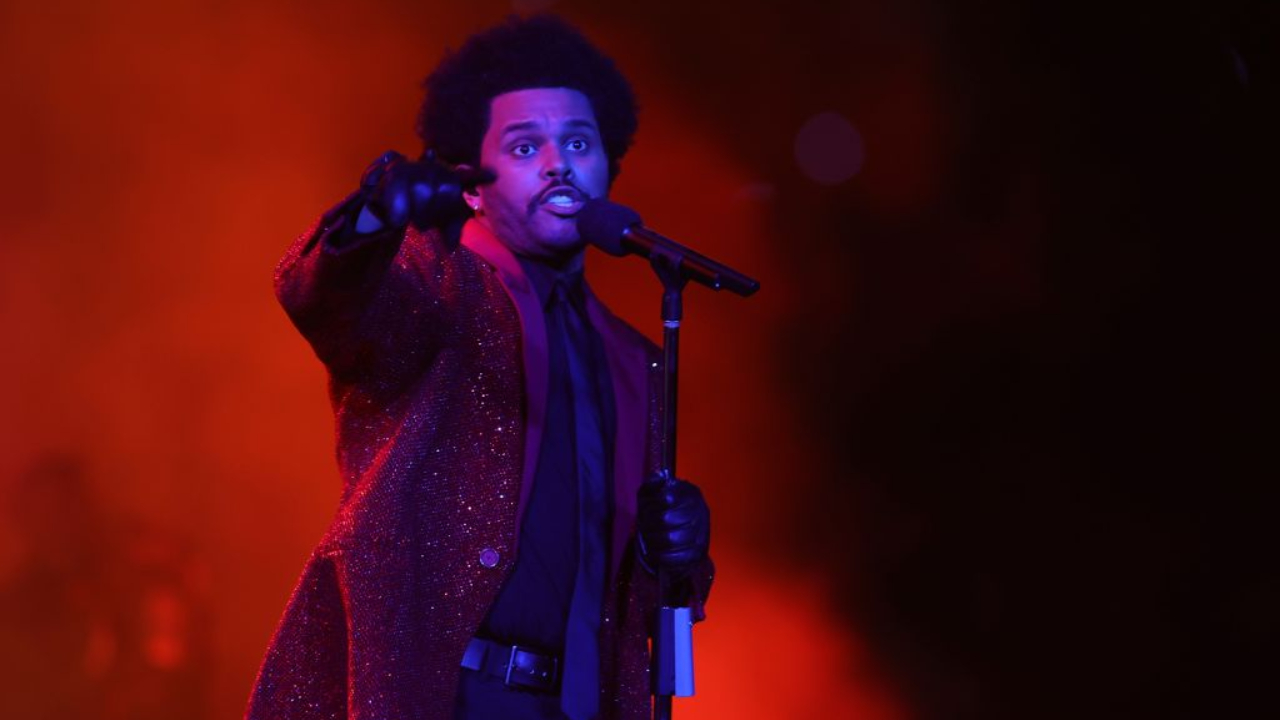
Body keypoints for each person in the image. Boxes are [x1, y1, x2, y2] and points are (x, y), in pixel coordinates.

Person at [245, 15, 713, 720]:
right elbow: (326, 300)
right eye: (526, 145)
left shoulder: (633, 359)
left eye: (579, 143)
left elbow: (639, 605)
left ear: (607, 169)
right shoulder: (436, 284)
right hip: (438, 693)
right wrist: (377, 215)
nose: (559, 163)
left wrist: (671, 552)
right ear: (470, 186)